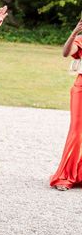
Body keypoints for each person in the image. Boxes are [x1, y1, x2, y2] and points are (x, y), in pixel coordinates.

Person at [50, 19, 82, 190]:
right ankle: (65, 176)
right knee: (77, 132)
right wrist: (75, 32)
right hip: (81, 88)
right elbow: (65, 53)